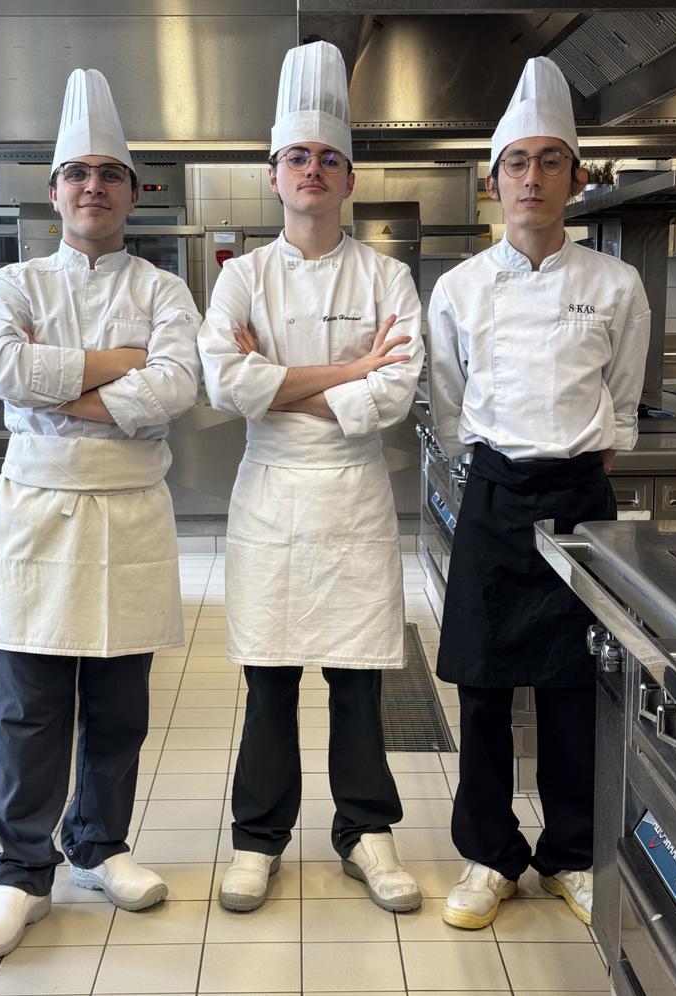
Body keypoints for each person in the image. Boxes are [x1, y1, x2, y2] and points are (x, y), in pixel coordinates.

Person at [0, 68, 202, 957]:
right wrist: (118, 364)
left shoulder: (164, 289)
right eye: (77, 174)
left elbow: (176, 386)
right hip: (37, 511)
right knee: (28, 708)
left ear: (133, 192)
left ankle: (97, 846)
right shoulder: (15, 283)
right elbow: (8, 376)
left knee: (117, 703)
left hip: (130, 513)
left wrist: (67, 385)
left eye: (109, 173)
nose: (93, 187)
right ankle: (21, 874)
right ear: (55, 191)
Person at [198, 41, 424, 914]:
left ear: (350, 179)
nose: (314, 170)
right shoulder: (240, 278)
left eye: (329, 158)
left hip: (354, 496)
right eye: (299, 157)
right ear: (273, 176)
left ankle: (365, 834)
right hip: (270, 498)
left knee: (360, 678)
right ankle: (258, 839)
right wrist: (343, 371)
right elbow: (227, 385)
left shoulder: (386, 275)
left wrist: (281, 382)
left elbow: (396, 389)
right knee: (268, 678)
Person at [427, 56, 650, 929]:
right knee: (480, 687)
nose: (530, 177)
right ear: (492, 183)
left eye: (548, 160)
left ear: (576, 177)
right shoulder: (459, 288)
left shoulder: (613, 284)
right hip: (495, 493)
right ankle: (488, 857)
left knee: (574, 688)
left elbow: (622, 396)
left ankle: (567, 854)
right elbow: (450, 403)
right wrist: (491, 464)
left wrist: (585, 463)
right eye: (514, 162)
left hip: (581, 495)